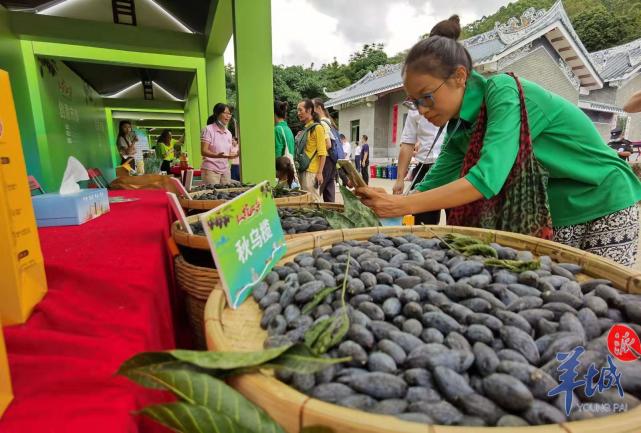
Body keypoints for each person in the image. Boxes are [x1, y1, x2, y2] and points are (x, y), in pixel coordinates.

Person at [357, 15, 641, 266]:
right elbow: (435, 182)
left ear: (459, 76)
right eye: (414, 102)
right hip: (558, 211)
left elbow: (486, 179)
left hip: (605, 197)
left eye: (427, 97)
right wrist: (395, 200)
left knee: (600, 304)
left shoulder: (504, 93)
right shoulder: (459, 127)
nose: (421, 109)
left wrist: (402, 207)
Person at [393, 108, 444, 224]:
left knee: (457, 222)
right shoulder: (414, 108)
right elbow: (407, 143)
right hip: (424, 169)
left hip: (454, 166)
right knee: (423, 223)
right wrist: (400, 179)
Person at [296, 99, 327, 203]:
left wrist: (320, 173)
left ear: (309, 110)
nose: (298, 113)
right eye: (297, 111)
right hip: (302, 170)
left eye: (300, 110)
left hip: (311, 172)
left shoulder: (317, 128)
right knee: (306, 203)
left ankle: (321, 219)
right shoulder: (306, 128)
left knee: (314, 202)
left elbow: (322, 153)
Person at [200, 103, 237, 185]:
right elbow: (203, 151)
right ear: (217, 114)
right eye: (225, 113)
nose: (228, 116)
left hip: (225, 170)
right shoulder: (208, 130)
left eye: (230, 114)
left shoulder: (229, 133)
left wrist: (234, 155)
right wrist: (217, 155)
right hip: (211, 171)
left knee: (226, 196)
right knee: (213, 196)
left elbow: (228, 153)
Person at [313, 98, 338, 202]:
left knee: (317, 192)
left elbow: (327, 144)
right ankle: (332, 213)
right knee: (329, 190)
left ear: (318, 108)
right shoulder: (329, 121)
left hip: (326, 160)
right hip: (332, 161)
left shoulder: (322, 123)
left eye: (312, 108)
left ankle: (316, 215)